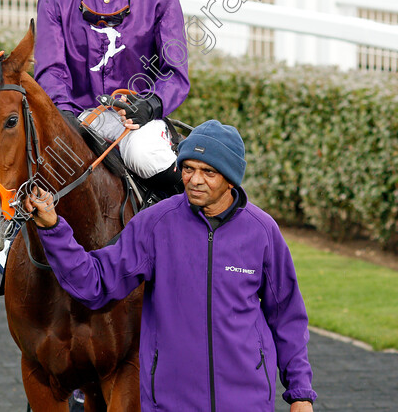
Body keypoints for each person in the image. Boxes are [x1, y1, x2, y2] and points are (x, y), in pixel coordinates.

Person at [24, 120, 317, 412]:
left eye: (208, 172)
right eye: (188, 168)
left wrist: (300, 394)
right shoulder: (156, 224)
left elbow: (287, 316)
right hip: (171, 403)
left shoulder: (262, 231)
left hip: (247, 402)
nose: (194, 180)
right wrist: (53, 228)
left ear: (230, 179)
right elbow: (95, 282)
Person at [34, 0, 190, 195]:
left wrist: (151, 104)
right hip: (75, 120)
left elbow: (174, 73)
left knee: (146, 154)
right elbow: (51, 70)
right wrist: (67, 118)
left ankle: (190, 229)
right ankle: (4, 241)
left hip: (137, 124)